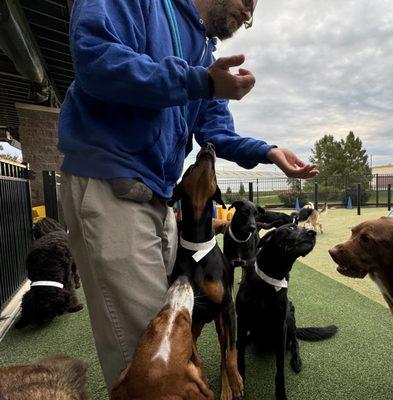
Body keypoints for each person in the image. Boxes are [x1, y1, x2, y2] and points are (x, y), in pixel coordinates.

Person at [58, 0, 318, 391]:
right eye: (247, 2)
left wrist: (267, 151)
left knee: (171, 341)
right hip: (111, 184)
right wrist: (201, 81)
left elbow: (215, 130)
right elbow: (96, 58)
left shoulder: (203, 51)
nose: (249, 15)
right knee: (151, 359)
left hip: (161, 201)